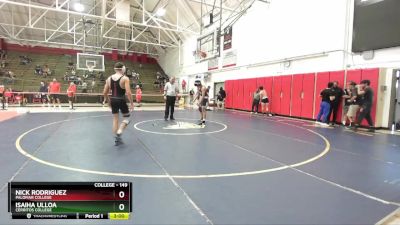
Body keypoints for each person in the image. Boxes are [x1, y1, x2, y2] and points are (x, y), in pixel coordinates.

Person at [103, 62, 134, 146]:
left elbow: (104, 93)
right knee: (127, 117)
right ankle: (120, 131)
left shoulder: (109, 78)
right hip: (121, 100)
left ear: (115, 69)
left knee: (115, 119)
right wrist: (132, 103)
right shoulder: (125, 78)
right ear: (123, 69)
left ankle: (117, 139)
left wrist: (109, 102)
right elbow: (128, 92)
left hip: (113, 99)